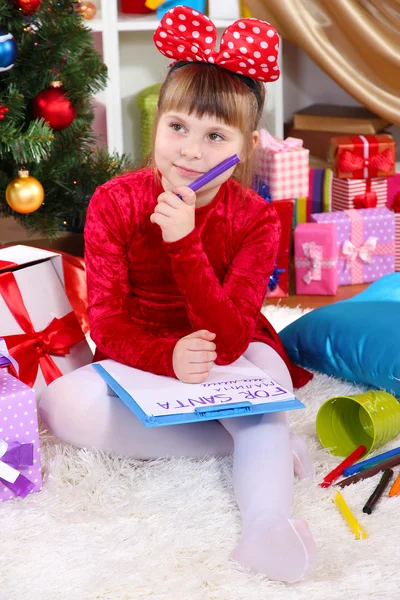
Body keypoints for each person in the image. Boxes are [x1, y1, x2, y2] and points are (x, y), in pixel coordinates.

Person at [39, 6, 316, 583]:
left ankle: (266, 524)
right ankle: (245, 446)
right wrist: (166, 357)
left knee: (269, 387)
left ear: (245, 146)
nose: (190, 150)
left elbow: (235, 335)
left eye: (215, 136)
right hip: (141, 352)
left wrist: (185, 245)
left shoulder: (258, 219)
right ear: (158, 124)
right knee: (60, 406)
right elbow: (108, 327)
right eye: (178, 128)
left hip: (229, 351)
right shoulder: (115, 201)